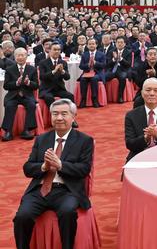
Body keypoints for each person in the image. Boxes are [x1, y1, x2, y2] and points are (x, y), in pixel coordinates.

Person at [13, 99, 93, 249]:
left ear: (73, 116)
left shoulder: (84, 140)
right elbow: (27, 168)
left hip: (67, 190)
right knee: (22, 216)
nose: (59, 118)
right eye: (55, 114)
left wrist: (60, 165)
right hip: (40, 189)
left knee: (67, 212)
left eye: (64, 114)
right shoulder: (42, 139)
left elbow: (84, 169)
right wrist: (43, 167)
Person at [3, 48, 40, 141]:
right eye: (18, 55)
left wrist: (28, 83)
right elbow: (6, 86)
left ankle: (27, 130)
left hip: (27, 95)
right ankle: (8, 131)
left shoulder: (32, 69)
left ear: (26, 56)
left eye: (22, 55)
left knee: (31, 105)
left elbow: (36, 86)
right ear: (15, 57)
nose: (20, 57)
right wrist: (16, 83)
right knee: (9, 105)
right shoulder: (9, 69)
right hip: (13, 96)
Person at [37, 43, 74, 111]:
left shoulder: (63, 62)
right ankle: (54, 115)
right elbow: (42, 77)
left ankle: (70, 115)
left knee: (70, 96)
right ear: (50, 50)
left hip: (59, 89)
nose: (57, 51)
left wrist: (62, 71)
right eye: (54, 49)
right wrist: (54, 71)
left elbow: (67, 77)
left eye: (58, 50)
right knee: (49, 98)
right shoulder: (43, 63)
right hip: (46, 89)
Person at [78, 38, 105, 108]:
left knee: (94, 79)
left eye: (93, 44)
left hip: (97, 73)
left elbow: (104, 65)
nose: (91, 45)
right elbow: (81, 66)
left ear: (96, 45)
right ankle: (83, 99)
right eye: (89, 44)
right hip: (87, 72)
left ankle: (94, 99)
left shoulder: (101, 54)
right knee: (83, 79)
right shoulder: (84, 54)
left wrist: (96, 63)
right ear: (87, 45)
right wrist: (88, 65)